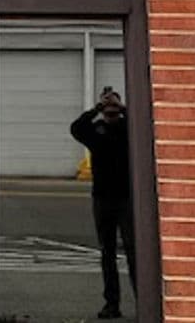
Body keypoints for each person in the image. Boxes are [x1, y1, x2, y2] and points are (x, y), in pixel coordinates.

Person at [70, 87, 137, 320]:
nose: (110, 112)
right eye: (106, 108)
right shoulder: (96, 131)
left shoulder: (128, 130)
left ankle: (144, 300)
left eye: (112, 108)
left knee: (133, 251)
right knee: (107, 252)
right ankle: (112, 303)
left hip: (127, 198)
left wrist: (124, 108)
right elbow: (76, 128)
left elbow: (144, 125)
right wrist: (96, 109)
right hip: (103, 198)